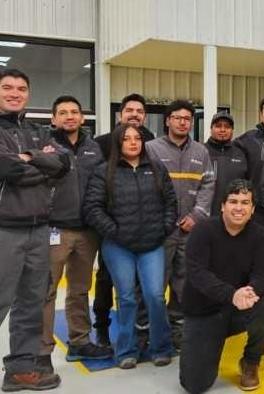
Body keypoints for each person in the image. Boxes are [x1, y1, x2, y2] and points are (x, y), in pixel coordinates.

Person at [0, 68, 69, 394]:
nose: (15, 93)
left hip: (38, 229)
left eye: (21, 88)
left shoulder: (36, 131)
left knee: (31, 305)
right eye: (7, 87)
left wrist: (27, 159)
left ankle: (20, 370)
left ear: (28, 94)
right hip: (1, 230)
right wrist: (37, 164)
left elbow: (62, 166)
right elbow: (3, 168)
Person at [83, 124, 178, 369]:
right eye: (127, 139)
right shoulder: (104, 171)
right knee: (126, 298)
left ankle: (161, 347)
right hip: (118, 247)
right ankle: (126, 350)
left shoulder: (156, 168)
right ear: (118, 143)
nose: (133, 143)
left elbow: (171, 202)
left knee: (155, 296)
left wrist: (164, 228)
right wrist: (114, 232)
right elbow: (93, 208)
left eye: (137, 138)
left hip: (152, 244)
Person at [180, 180, 264, 393]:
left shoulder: (261, 236)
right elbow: (197, 274)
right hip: (204, 310)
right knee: (194, 385)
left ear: (252, 209)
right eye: (233, 201)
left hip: (238, 308)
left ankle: (250, 361)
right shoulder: (203, 231)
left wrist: (250, 291)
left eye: (245, 202)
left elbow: (262, 276)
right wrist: (232, 294)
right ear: (222, 205)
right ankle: (209, 341)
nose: (239, 208)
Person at [38, 96, 109, 372]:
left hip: (87, 231)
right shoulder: (45, 145)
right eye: (63, 112)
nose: (69, 116)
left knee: (80, 289)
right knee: (46, 291)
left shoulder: (94, 149)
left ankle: (79, 341)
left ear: (83, 118)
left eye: (74, 112)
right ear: (54, 119)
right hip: (54, 229)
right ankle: (41, 351)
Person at [146, 99, 216, 347]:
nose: (183, 122)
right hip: (159, 231)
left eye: (187, 118)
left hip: (190, 231)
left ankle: (177, 327)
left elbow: (208, 185)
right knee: (154, 283)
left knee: (184, 281)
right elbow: (144, 187)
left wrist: (196, 216)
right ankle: (149, 330)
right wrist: (160, 219)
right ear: (167, 120)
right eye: (177, 118)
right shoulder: (151, 149)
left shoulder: (201, 152)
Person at [93, 93, 156, 347]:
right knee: (107, 279)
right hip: (112, 228)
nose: (134, 114)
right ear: (120, 114)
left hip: (143, 226)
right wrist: (108, 225)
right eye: (129, 110)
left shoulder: (151, 142)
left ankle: (140, 331)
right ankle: (102, 328)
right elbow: (95, 187)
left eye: (139, 111)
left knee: (140, 283)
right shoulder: (101, 143)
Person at [206, 111, 249, 217]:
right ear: (211, 128)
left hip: (234, 213)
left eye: (227, 126)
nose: (223, 130)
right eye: (218, 126)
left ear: (232, 130)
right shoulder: (201, 151)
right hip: (207, 213)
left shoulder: (241, 153)